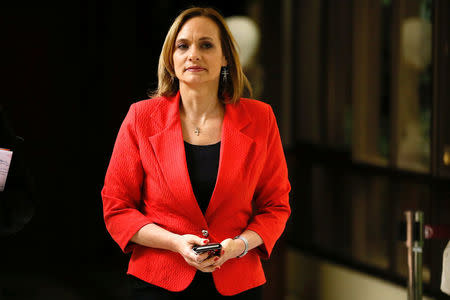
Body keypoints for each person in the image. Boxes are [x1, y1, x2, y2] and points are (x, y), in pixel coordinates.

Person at [101, 7, 290, 299]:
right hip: (157, 283)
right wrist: (175, 242)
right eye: (183, 45)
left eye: (206, 44)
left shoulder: (261, 118)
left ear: (226, 56)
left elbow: (275, 206)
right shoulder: (141, 117)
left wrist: (237, 246)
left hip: (237, 282)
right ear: (171, 59)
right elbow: (117, 208)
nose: (194, 54)